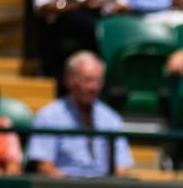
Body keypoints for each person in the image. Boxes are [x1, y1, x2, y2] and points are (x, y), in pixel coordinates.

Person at [27, 50, 134, 179]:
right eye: (87, 80)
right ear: (69, 80)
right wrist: (75, 185)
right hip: (64, 187)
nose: (94, 87)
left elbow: (122, 168)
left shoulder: (111, 118)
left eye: (98, 81)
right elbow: (44, 167)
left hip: (103, 187)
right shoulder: (48, 116)